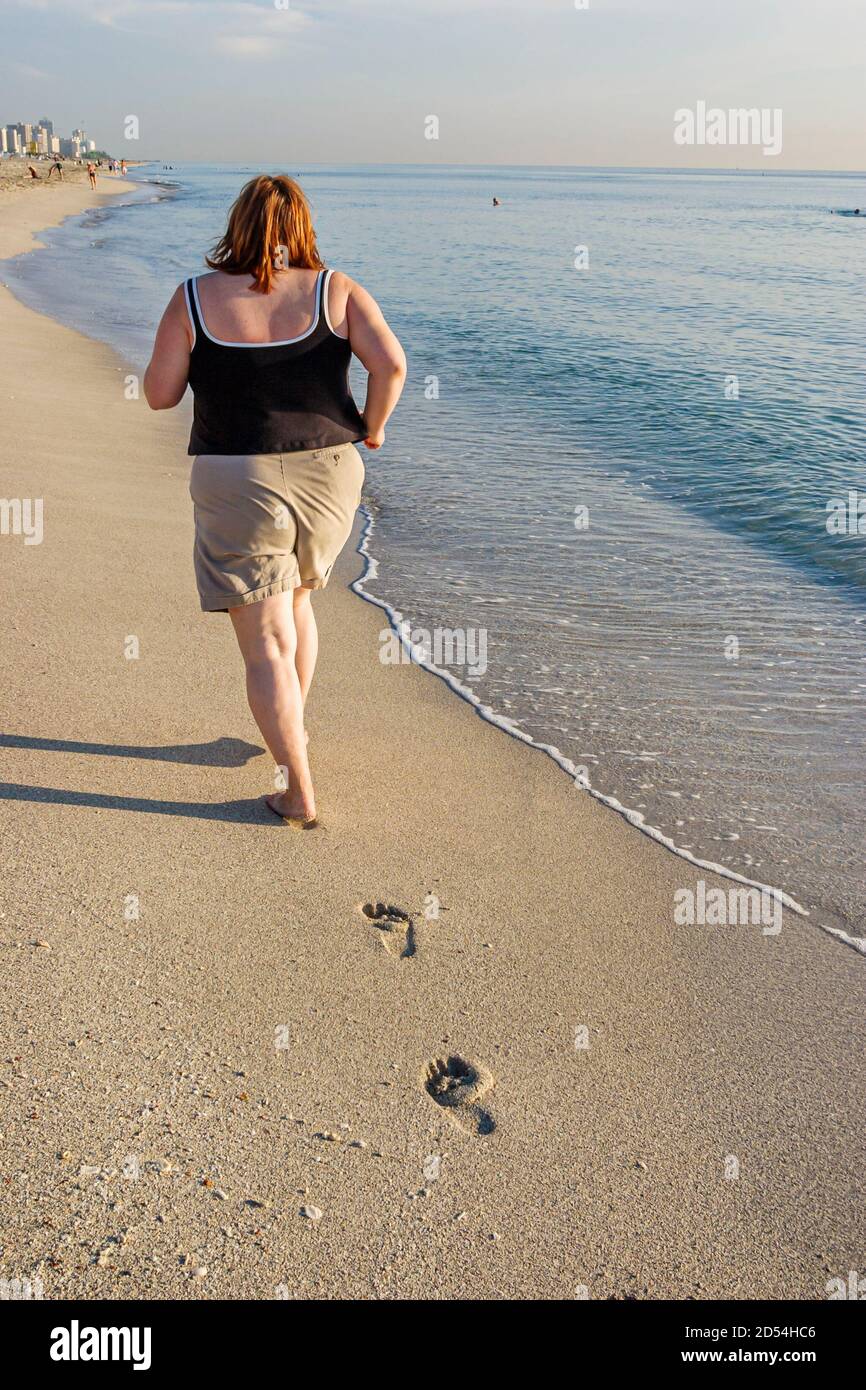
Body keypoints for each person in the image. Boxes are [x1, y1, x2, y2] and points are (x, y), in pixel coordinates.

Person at [143, 174, 406, 828]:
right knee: (298, 602)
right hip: (329, 473)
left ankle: (297, 789)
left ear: (237, 225)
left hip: (237, 475)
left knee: (263, 641)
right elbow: (392, 365)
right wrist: (374, 426)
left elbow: (159, 394)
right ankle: (292, 736)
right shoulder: (336, 290)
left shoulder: (193, 298)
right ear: (302, 227)